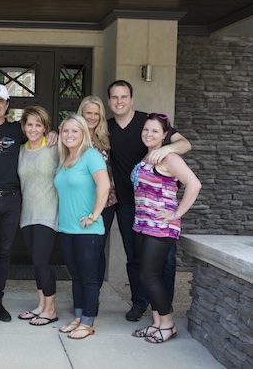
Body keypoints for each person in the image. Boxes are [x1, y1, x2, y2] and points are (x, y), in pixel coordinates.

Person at [0, 83, 57, 333]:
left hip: (12, 199)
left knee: (4, 253)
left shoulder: (18, 129)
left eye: (0, 101)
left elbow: (38, 130)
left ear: (6, 105)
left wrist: (53, 134)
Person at [107, 80, 192, 321]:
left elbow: (185, 143)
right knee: (134, 258)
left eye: (124, 96)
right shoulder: (107, 127)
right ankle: (139, 303)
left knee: (164, 262)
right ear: (110, 100)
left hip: (158, 207)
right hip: (128, 204)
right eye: (114, 97)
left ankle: (165, 309)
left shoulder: (148, 123)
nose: (119, 101)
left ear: (132, 99)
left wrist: (166, 150)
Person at [131, 113, 201, 343]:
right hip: (143, 225)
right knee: (151, 276)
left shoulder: (169, 157)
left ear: (164, 135)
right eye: (146, 130)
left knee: (149, 275)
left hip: (161, 227)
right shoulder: (147, 155)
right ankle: (157, 322)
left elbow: (194, 183)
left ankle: (168, 324)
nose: (149, 134)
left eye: (154, 131)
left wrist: (176, 213)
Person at [55, 115, 110, 339]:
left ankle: (88, 322)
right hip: (67, 229)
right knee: (76, 276)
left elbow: (104, 186)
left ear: (83, 134)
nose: (69, 135)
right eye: (65, 131)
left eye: (74, 131)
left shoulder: (91, 156)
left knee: (88, 277)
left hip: (88, 230)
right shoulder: (65, 158)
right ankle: (78, 317)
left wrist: (94, 214)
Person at [16, 105, 59, 326]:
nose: (33, 129)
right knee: (35, 262)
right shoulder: (21, 149)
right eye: (29, 124)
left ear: (45, 127)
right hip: (27, 215)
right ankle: (41, 305)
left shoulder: (54, 147)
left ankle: (50, 309)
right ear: (24, 126)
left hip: (48, 213)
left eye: (38, 125)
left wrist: (57, 135)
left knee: (42, 261)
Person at [77, 95, 117, 290]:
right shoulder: (72, 136)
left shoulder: (105, 139)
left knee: (97, 249)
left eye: (96, 114)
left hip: (105, 203)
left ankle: (94, 294)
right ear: (81, 114)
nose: (92, 117)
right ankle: (83, 293)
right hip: (79, 202)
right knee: (81, 250)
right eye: (88, 113)